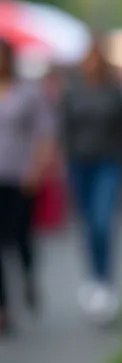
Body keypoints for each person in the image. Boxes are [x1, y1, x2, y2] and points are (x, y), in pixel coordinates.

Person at [60, 39, 122, 323]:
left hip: (109, 163)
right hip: (80, 165)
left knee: (103, 222)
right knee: (89, 224)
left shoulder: (114, 91)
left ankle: (105, 279)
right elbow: (64, 130)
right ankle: (94, 277)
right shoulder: (73, 90)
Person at [0, 40, 54, 334]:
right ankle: (4, 307)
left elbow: (44, 132)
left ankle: (28, 279)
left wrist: (36, 169)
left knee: (21, 238)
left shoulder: (28, 93)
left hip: (20, 176)